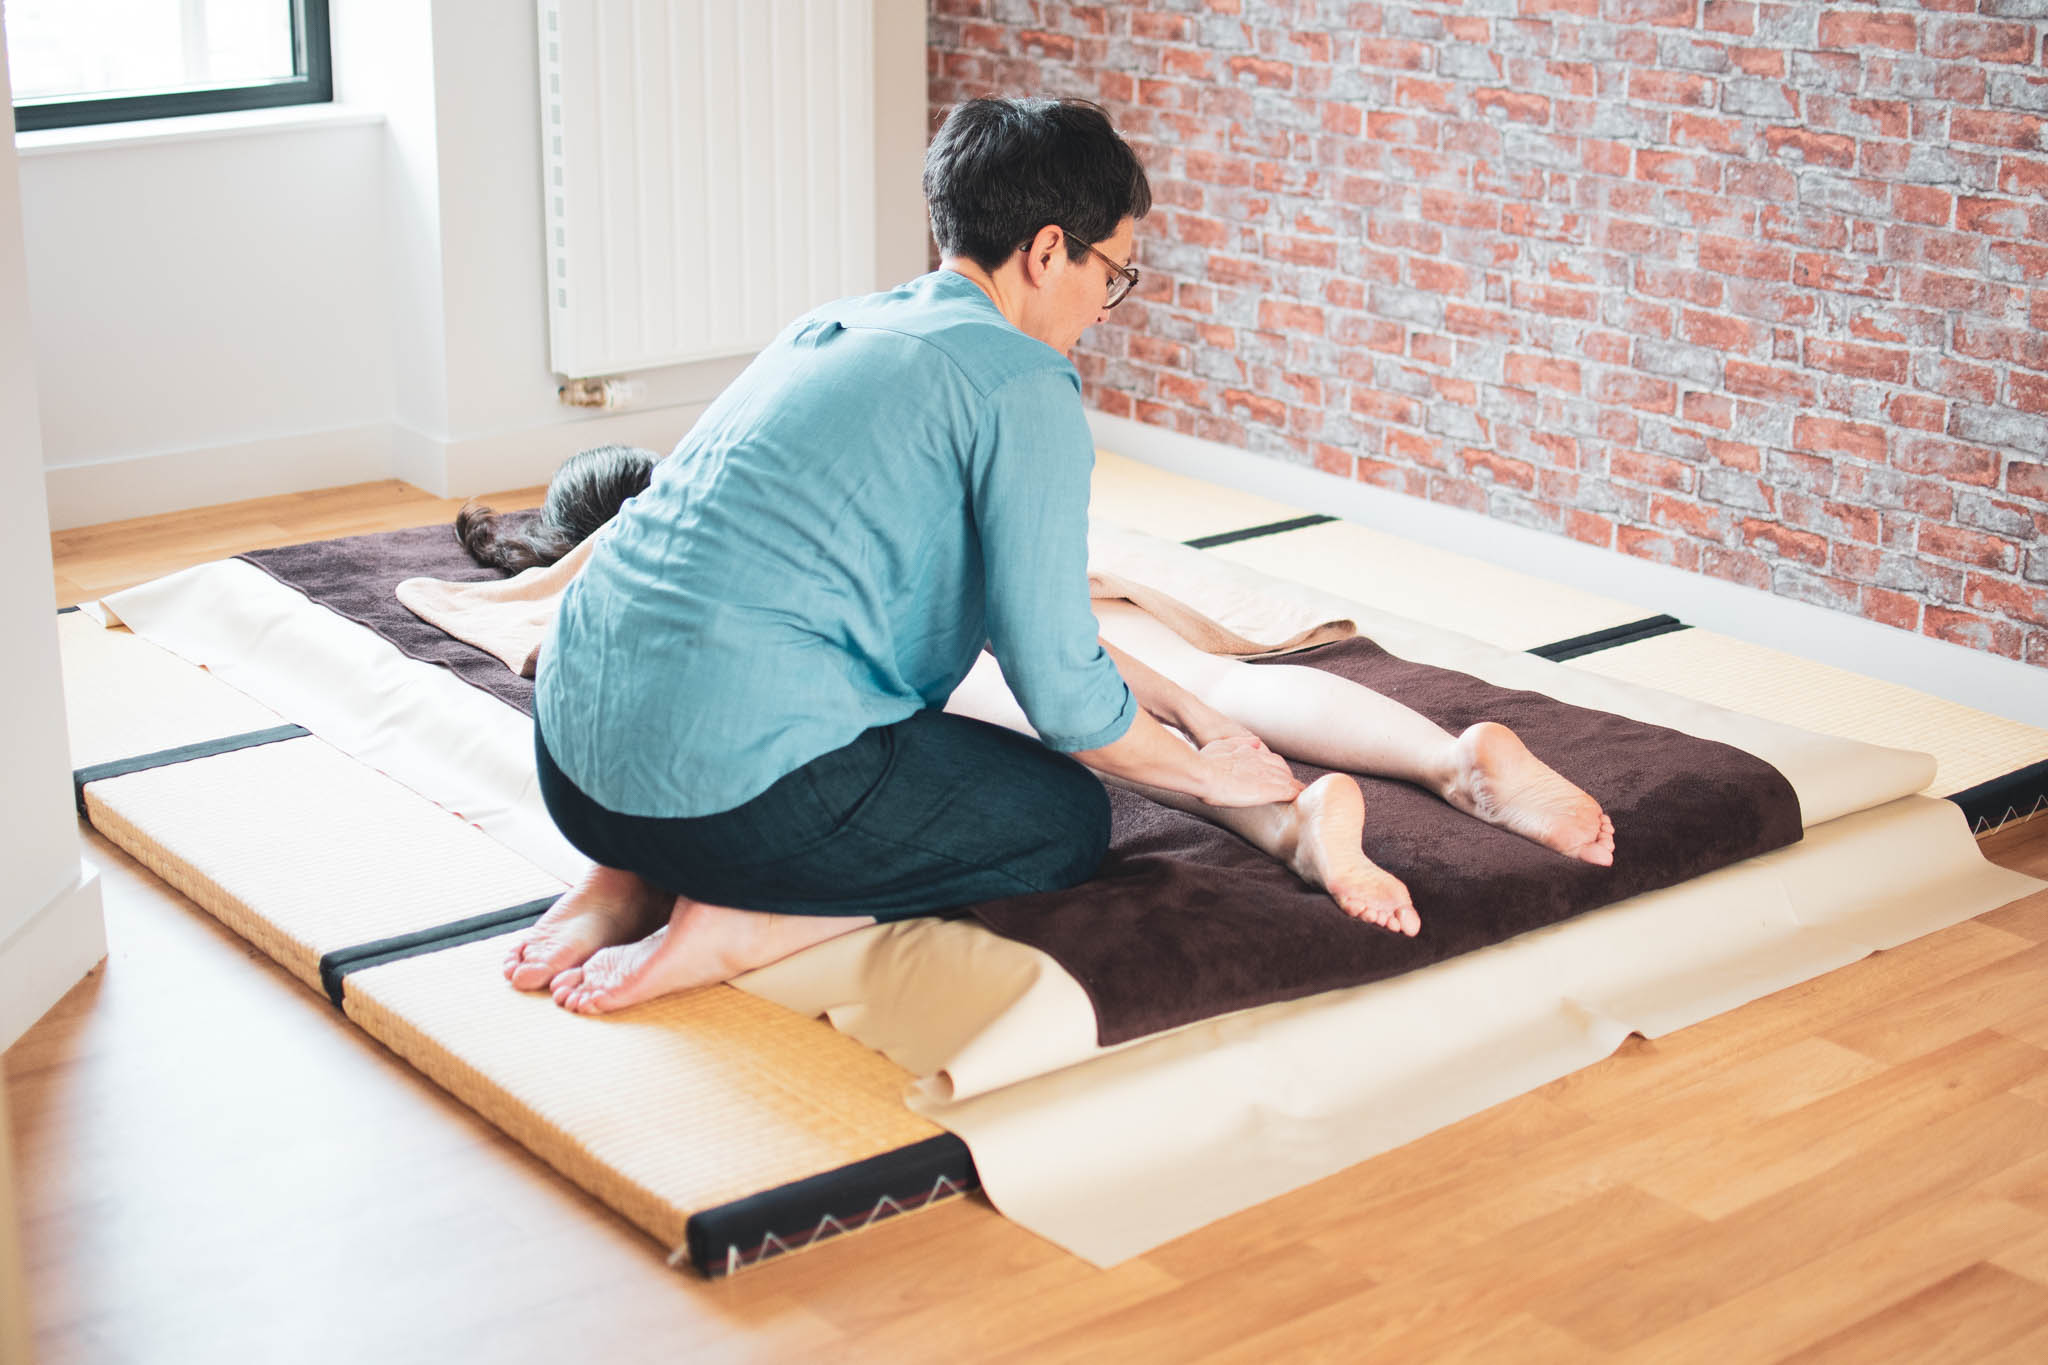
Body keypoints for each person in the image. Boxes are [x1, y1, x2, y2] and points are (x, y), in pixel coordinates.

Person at [503, 97, 1614, 1016]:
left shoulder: (830, 328)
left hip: (572, 763)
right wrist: (1200, 772)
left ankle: (625, 882)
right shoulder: (1018, 384)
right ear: (1047, 251)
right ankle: (740, 921)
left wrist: (1190, 714)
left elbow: (1029, 631)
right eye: (1111, 274)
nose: (1105, 304)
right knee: (1063, 819)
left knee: (848, 715)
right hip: (728, 809)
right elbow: (1063, 693)